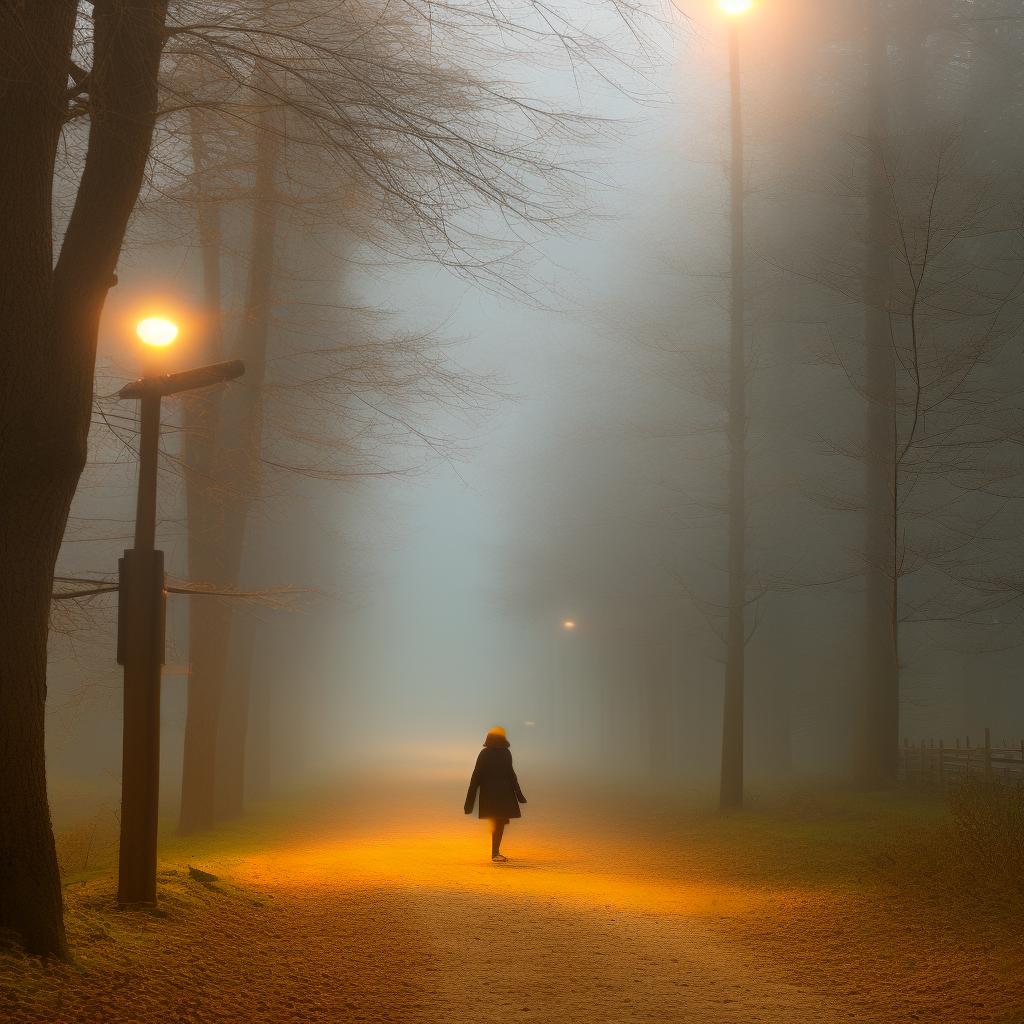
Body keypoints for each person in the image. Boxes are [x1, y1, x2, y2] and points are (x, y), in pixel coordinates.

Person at [464, 726, 527, 862]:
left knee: (496, 822)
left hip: (489, 796)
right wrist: (519, 795)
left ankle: (495, 853)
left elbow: (476, 777)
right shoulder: (506, 753)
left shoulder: (484, 753)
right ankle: (495, 853)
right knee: (499, 823)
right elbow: (512, 776)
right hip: (504, 795)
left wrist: (469, 802)